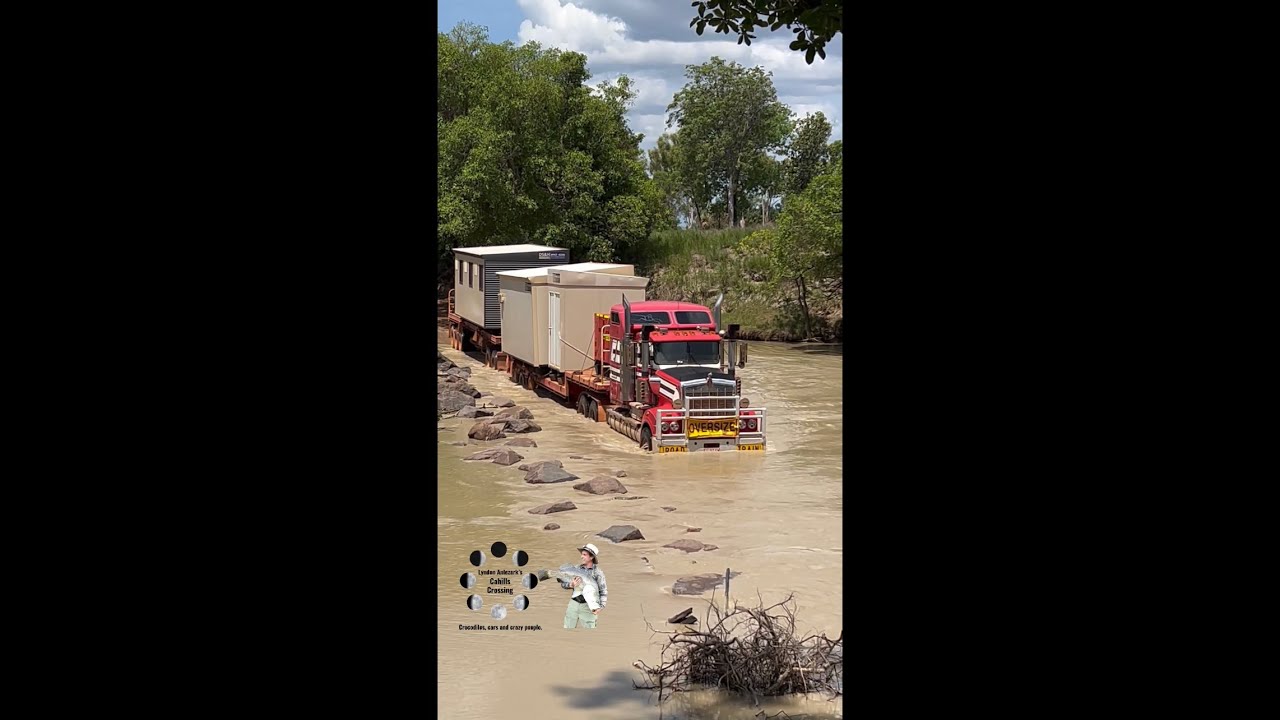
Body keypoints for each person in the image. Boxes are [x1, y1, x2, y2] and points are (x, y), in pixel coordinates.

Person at [562, 543, 608, 629]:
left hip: (589, 607)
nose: (581, 557)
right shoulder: (575, 569)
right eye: (581, 554)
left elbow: (603, 591)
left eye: (584, 555)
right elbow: (563, 584)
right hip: (573, 604)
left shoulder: (598, 573)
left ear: (591, 557)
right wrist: (571, 585)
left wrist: (601, 607)